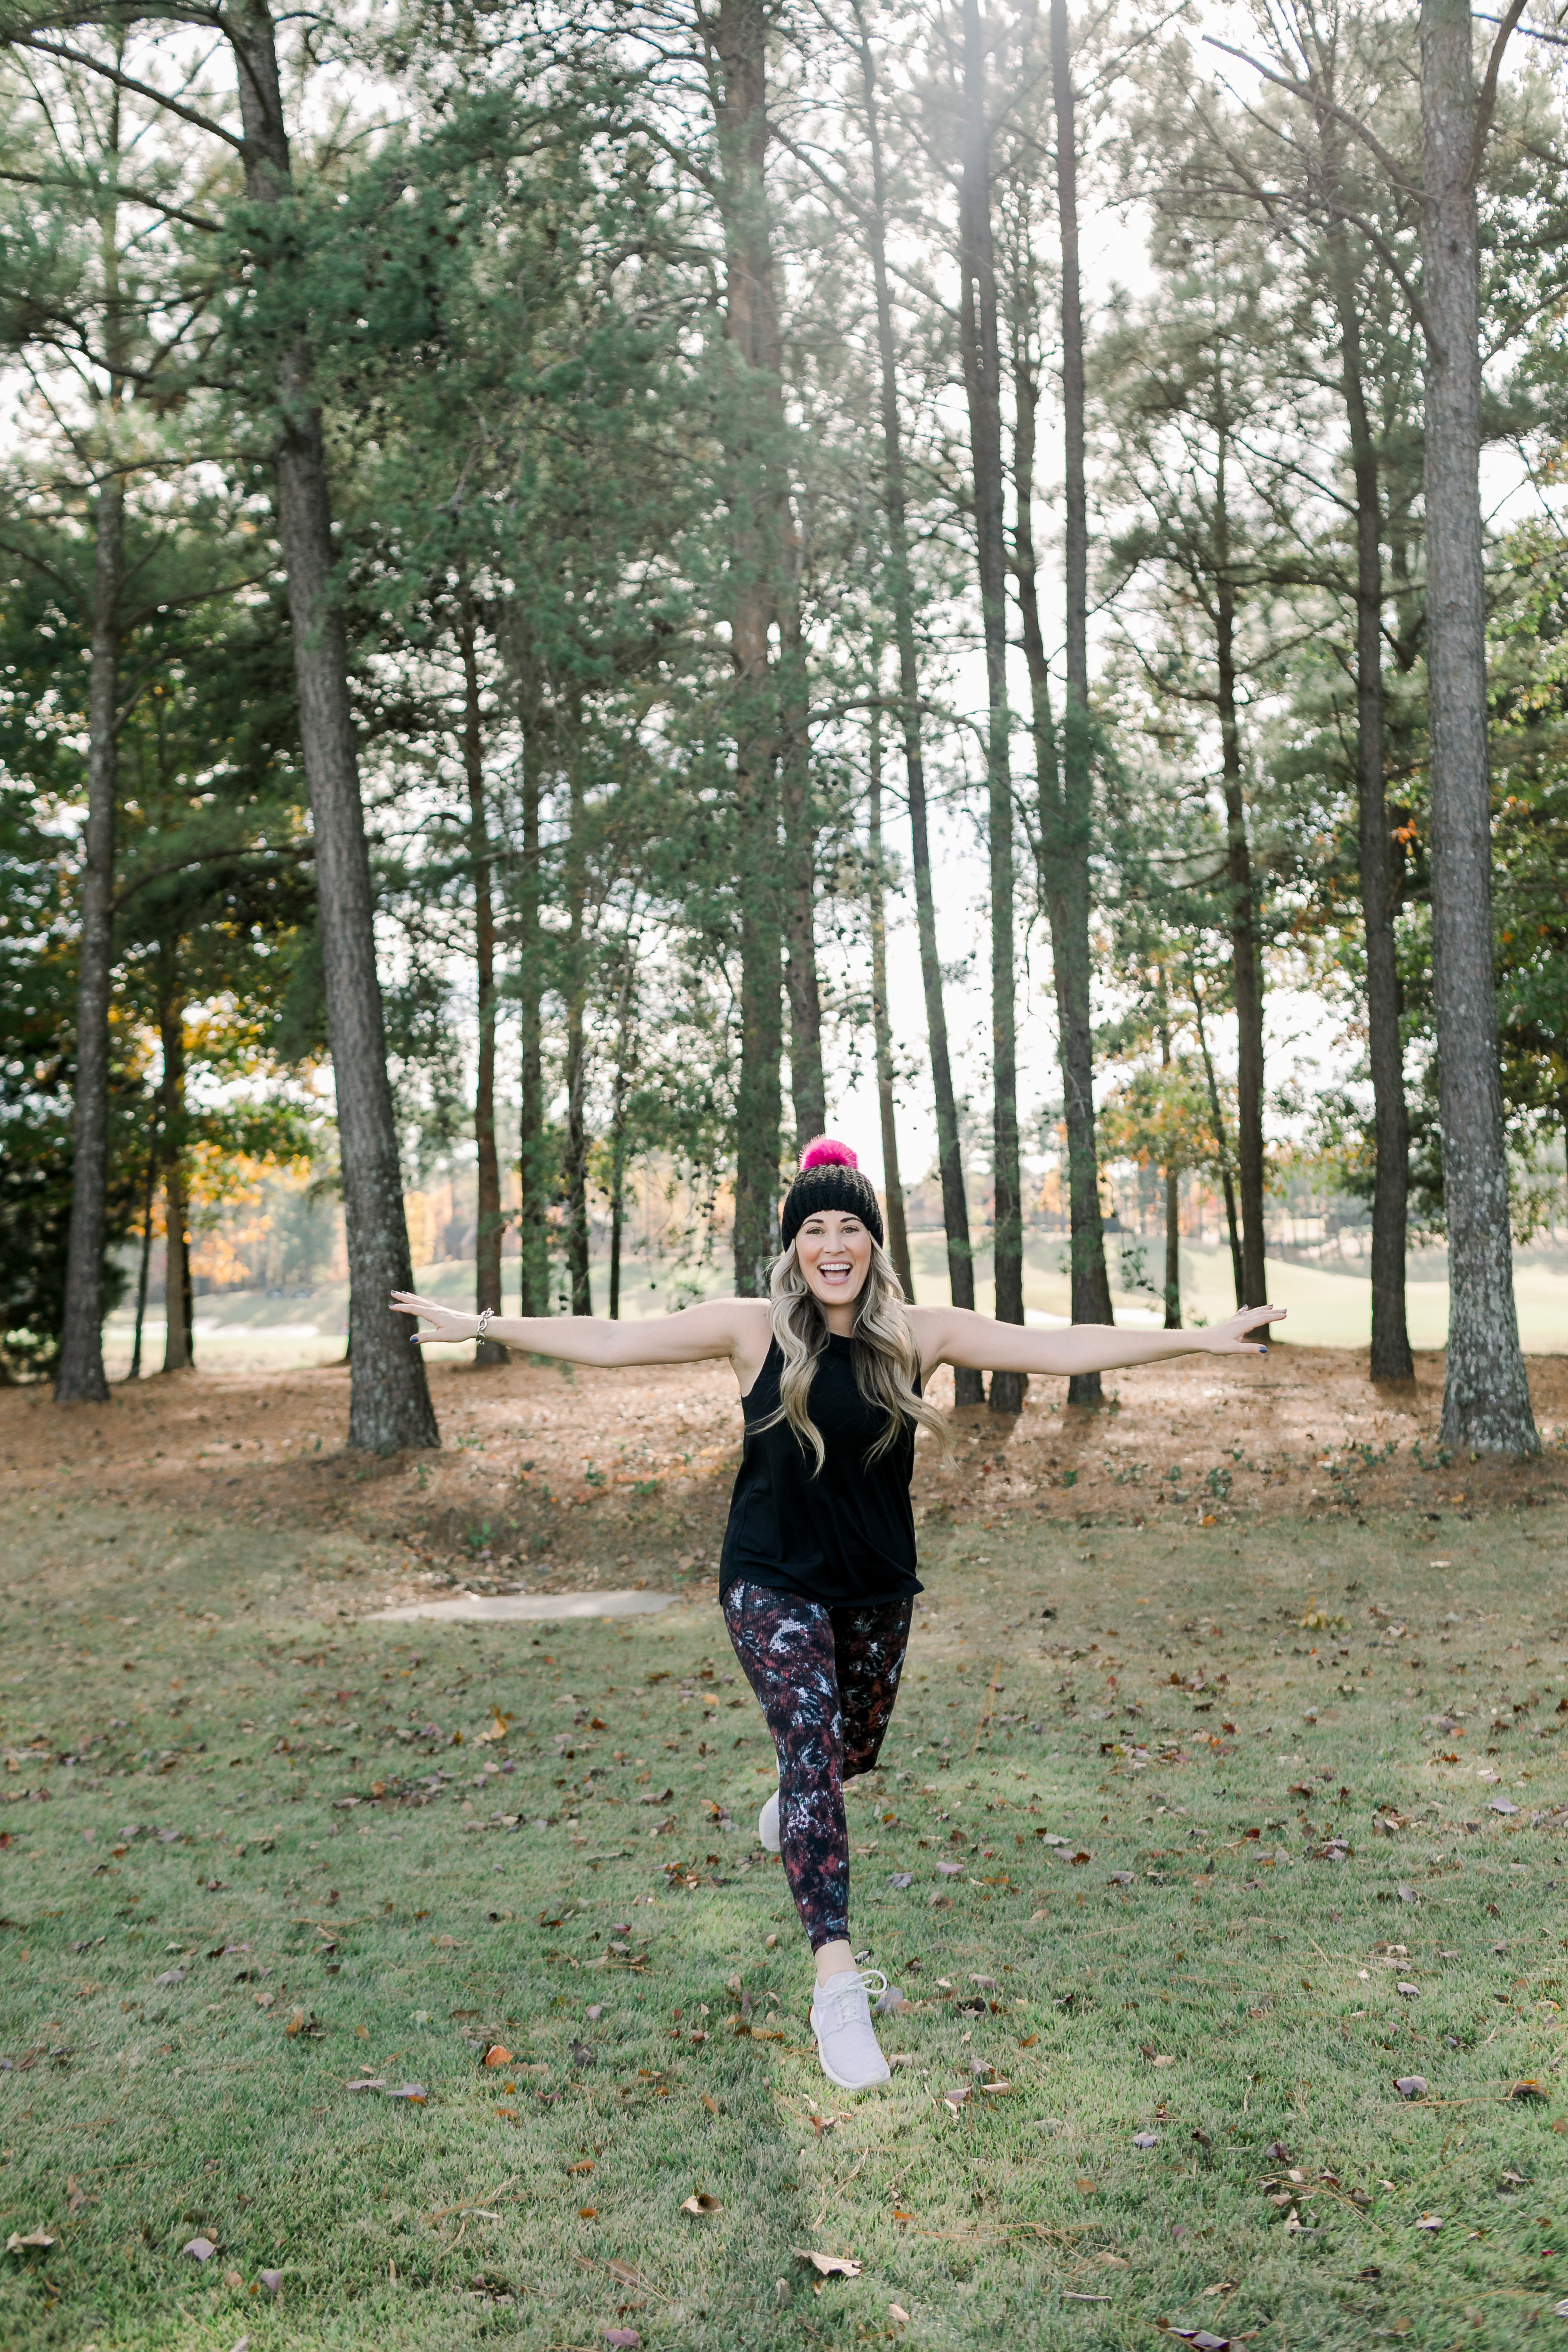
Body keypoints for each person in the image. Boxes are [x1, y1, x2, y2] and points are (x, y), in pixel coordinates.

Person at [391, 1136, 1283, 2092]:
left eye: (847, 1226)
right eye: (813, 1227)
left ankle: (796, 1797)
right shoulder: (752, 1331)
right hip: (766, 1577)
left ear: (871, 1243)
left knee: (847, 1754)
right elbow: (612, 1337)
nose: (830, 1243)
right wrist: (477, 1322)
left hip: (873, 1588)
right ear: (792, 1246)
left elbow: (1058, 1347)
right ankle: (836, 1983)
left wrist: (1193, 1338)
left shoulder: (917, 1335)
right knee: (811, 1743)